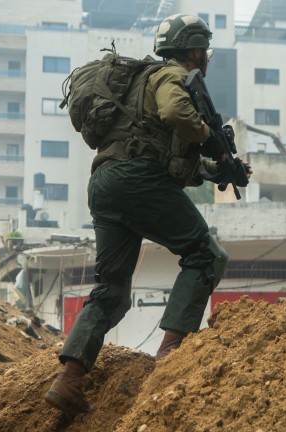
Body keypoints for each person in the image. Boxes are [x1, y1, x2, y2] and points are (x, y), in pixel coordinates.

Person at [45, 13, 252, 416]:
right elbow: (176, 114)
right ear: (194, 50)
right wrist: (209, 137)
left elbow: (166, 154)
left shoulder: (140, 83)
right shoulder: (171, 75)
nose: (206, 56)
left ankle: (68, 380)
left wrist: (218, 168)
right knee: (206, 255)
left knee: (111, 289)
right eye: (204, 50)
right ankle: (170, 356)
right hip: (137, 179)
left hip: (105, 184)